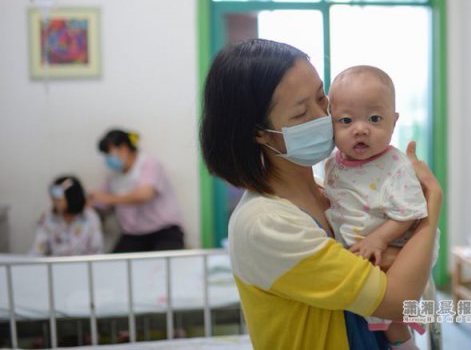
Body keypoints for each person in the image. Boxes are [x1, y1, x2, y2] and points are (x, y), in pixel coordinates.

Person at [200, 39, 442, 350]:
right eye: (302, 113)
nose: (323, 117)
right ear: (259, 131)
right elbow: (397, 301)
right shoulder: (266, 222)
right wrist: (431, 204)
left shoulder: (327, 189)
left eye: (321, 98)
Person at [325, 65, 440, 348]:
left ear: (393, 121)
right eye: (346, 120)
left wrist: (379, 238)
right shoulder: (333, 163)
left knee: (391, 318)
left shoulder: (394, 166)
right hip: (365, 248)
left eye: (375, 119)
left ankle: (406, 344)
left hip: (400, 245)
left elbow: (410, 213)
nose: (360, 129)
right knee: (372, 312)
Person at [90, 129, 184, 252]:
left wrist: (109, 199)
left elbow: (144, 195)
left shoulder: (149, 164)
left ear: (124, 149)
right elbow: (99, 202)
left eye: (109, 153)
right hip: (133, 235)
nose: (108, 158)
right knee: (114, 262)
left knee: (165, 262)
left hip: (164, 231)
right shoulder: (113, 177)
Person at [30, 175, 103, 256]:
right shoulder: (48, 217)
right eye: (53, 198)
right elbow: (38, 248)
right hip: (55, 263)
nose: (54, 202)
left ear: (71, 197)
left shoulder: (90, 217)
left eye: (58, 198)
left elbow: (96, 249)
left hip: (84, 263)